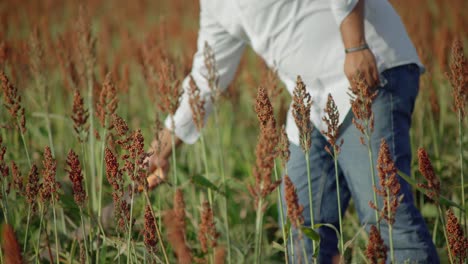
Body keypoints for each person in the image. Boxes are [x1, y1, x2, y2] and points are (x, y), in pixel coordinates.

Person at [147, 0, 439, 262]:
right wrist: (160, 149)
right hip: (310, 104)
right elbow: (207, 76)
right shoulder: (216, 5)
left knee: (387, 220)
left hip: (367, 74)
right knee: (301, 230)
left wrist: (355, 45)